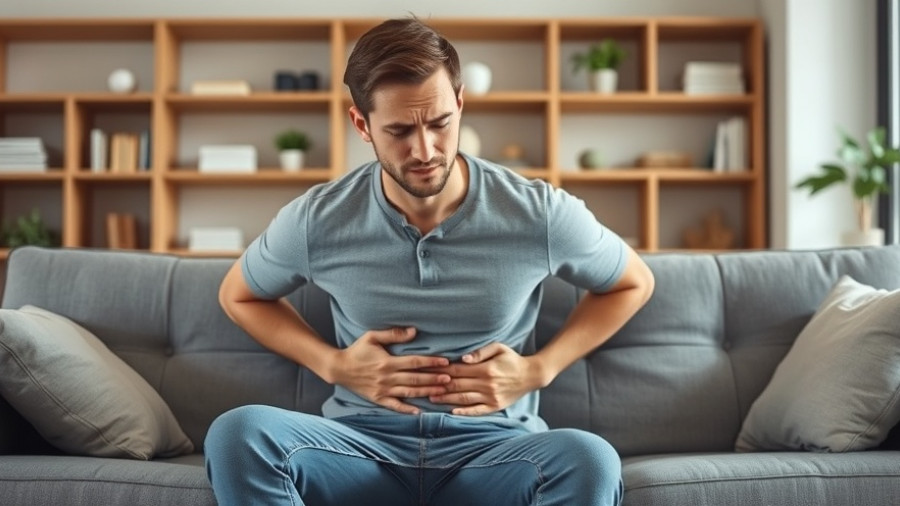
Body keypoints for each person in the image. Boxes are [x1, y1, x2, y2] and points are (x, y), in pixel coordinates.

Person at [205, 16, 654, 506]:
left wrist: (539, 369)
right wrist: (333, 365)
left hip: (498, 451)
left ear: (459, 104)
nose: (425, 150)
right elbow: (239, 294)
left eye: (440, 123)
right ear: (362, 124)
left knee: (590, 459)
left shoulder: (537, 212)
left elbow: (633, 281)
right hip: (359, 446)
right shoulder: (318, 219)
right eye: (399, 130)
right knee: (238, 434)